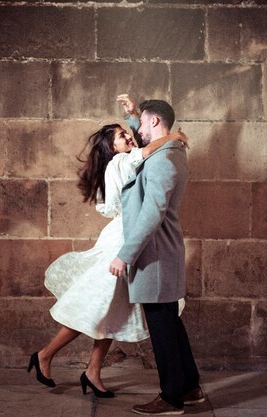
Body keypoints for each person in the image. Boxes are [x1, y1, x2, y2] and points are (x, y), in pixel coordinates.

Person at [27, 96, 188, 399]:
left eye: (129, 131)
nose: (130, 135)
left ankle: (92, 371)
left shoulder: (123, 157)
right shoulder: (120, 162)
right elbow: (145, 148)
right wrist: (174, 136)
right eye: (122, 136)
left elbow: (139, 141)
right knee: (96, 306)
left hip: (126, 236)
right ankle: (45, 355)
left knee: (112, 310)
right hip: (123, 239)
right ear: (112, 147)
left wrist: (130, 116)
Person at [110, 99, 204, 415]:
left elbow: (152, 214)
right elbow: (144, 139)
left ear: (155, 122)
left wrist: (125, 255)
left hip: (156, 255)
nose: (137, 132)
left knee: (162, 327)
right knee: (170, 324)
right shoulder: (168, 151)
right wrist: (132, 115)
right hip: (160, 254)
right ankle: (190, 387)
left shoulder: (164, 160)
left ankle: (171, 398)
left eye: (142, 124)